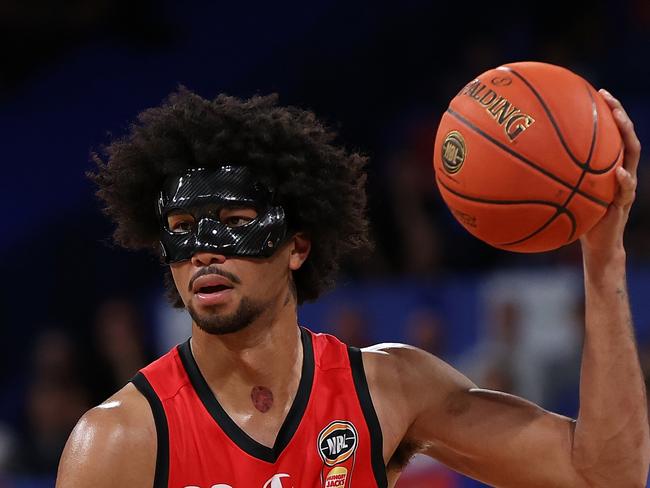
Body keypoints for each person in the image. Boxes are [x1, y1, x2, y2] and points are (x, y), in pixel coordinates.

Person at [56, 87, 649, 488]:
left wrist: (601, 259)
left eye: (237, 225)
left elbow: (604, 477)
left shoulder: (390, 389)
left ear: (298, 246)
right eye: (183, 230)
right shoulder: (118, 442)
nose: (205, 249)